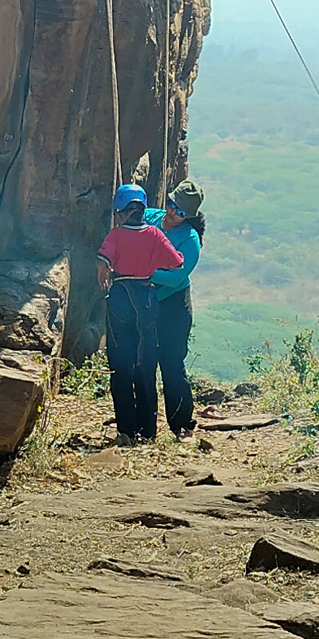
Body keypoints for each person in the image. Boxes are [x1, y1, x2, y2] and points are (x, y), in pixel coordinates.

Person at [97, 181, 183, 444]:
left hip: (121, 296)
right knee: (145, 363)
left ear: (122, 211)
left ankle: (126, 430)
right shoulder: (155, 236)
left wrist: (104, 274)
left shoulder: (116, 235)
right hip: (146, 298)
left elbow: (103, 262)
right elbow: (177, 263)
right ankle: (148, 431)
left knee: (120, 366)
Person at [146, 180, 205, 439]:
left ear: (189, 217)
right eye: (171, 205)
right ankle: (144, 424)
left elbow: (176, 278)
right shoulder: (150, 217)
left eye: (180, 212)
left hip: (174, 306)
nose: (172, 213)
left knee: (171, 363)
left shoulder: (190, 240)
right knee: (143, 362)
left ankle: (182, 424)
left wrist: (143, 271)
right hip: (145, 301)